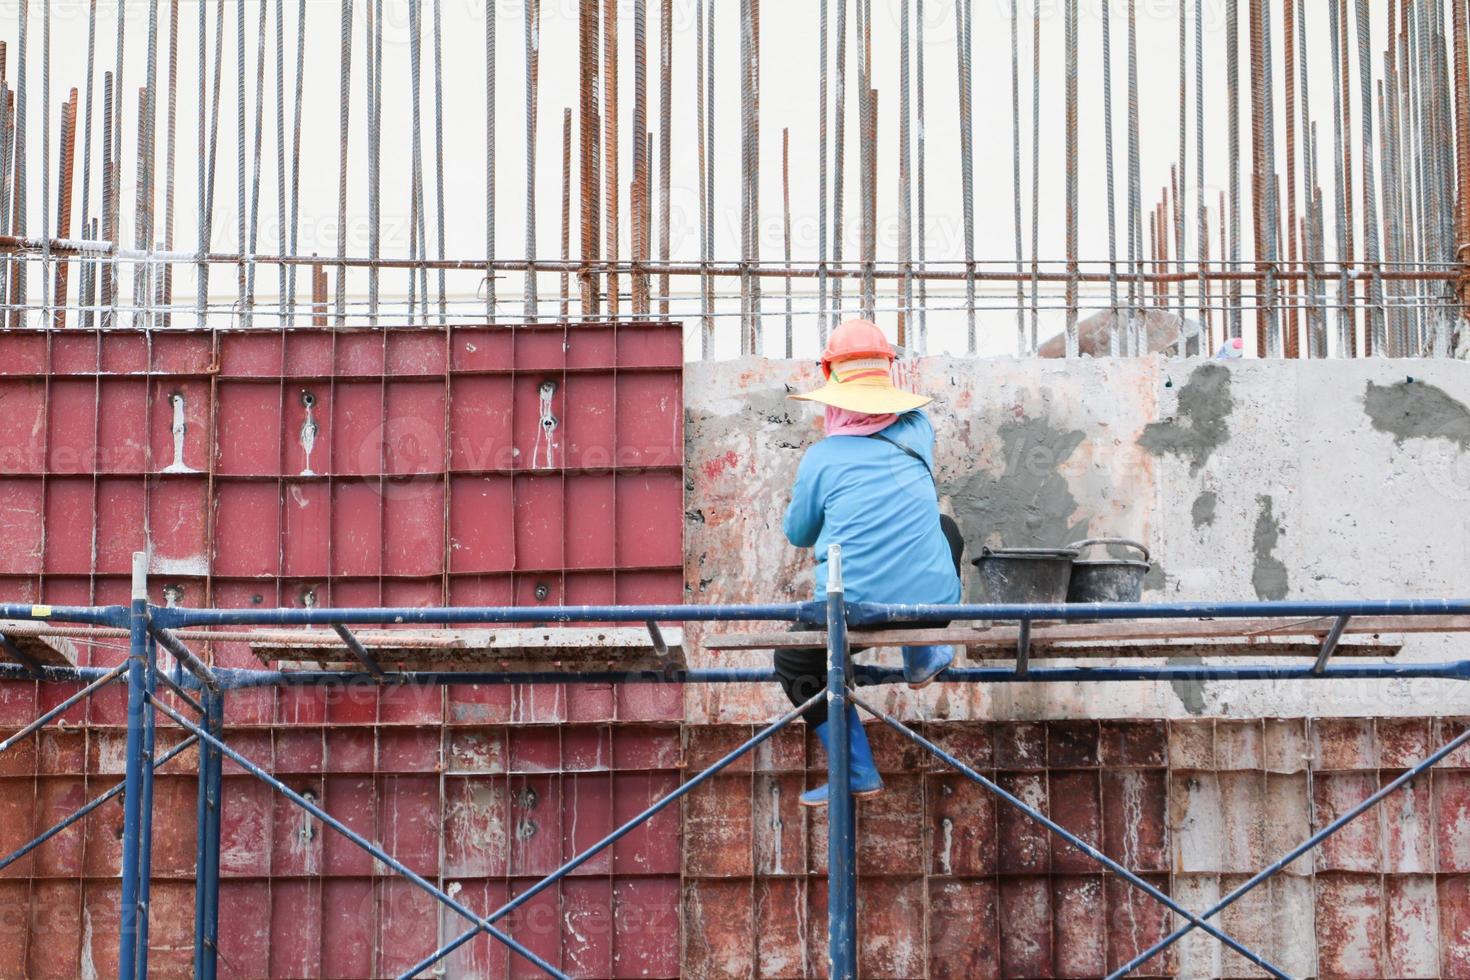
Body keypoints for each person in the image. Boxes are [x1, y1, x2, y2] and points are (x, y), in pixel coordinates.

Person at [777, 319, 963, 807]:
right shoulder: (918, 431)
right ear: (888, 378)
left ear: (833, 389)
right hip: (933, 608)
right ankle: (922, 655)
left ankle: (857, 771)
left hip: (855, 615)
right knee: (947, 530)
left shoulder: (822, 457)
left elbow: (798, 533)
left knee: (795, 661)